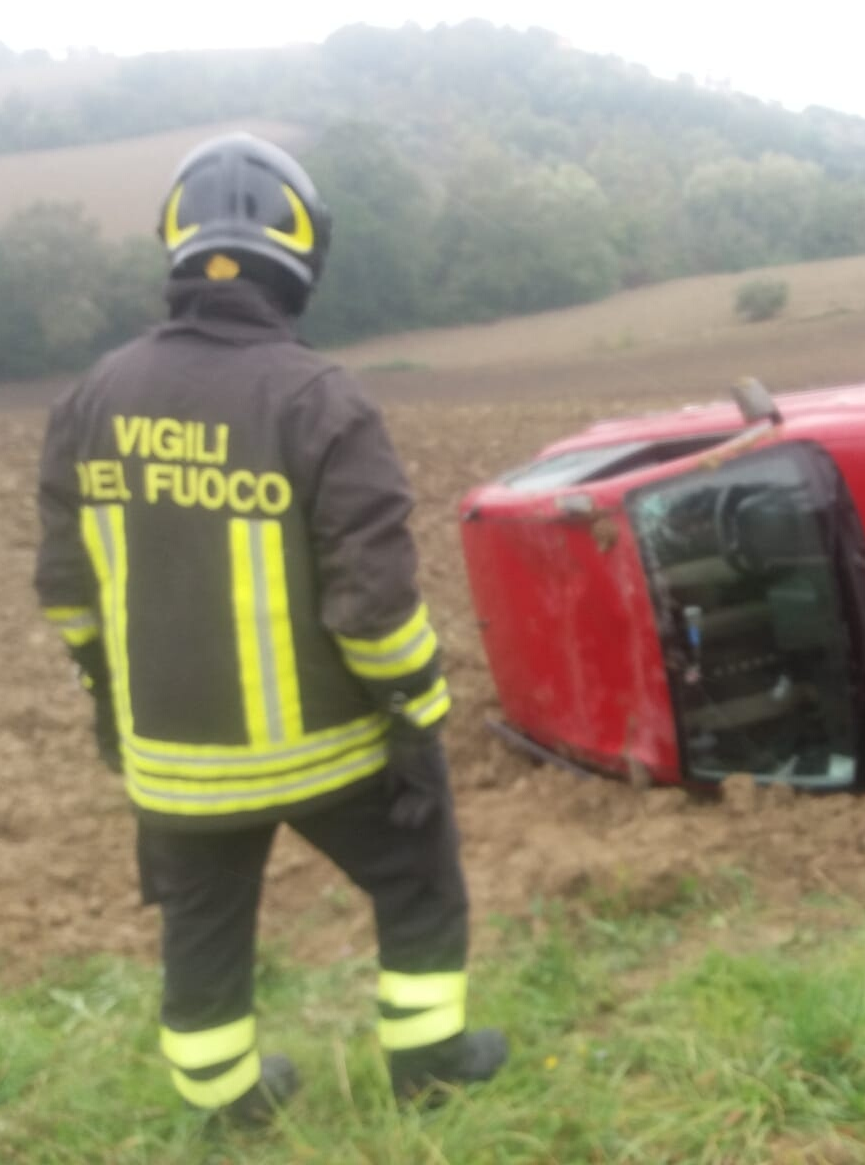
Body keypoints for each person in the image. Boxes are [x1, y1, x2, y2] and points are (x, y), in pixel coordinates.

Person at [32, 131, 507, 1124]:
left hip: (171, 761)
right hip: (327, 751)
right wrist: (419, 720)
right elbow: (373, 612)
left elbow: (68, 594)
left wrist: (107, 710)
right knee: (419, 882)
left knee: (202, 929)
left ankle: (227, 1109)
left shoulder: (91, 400)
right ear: (303, 257)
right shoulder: (321, 403)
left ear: (176, 247)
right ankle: (430, 1072)